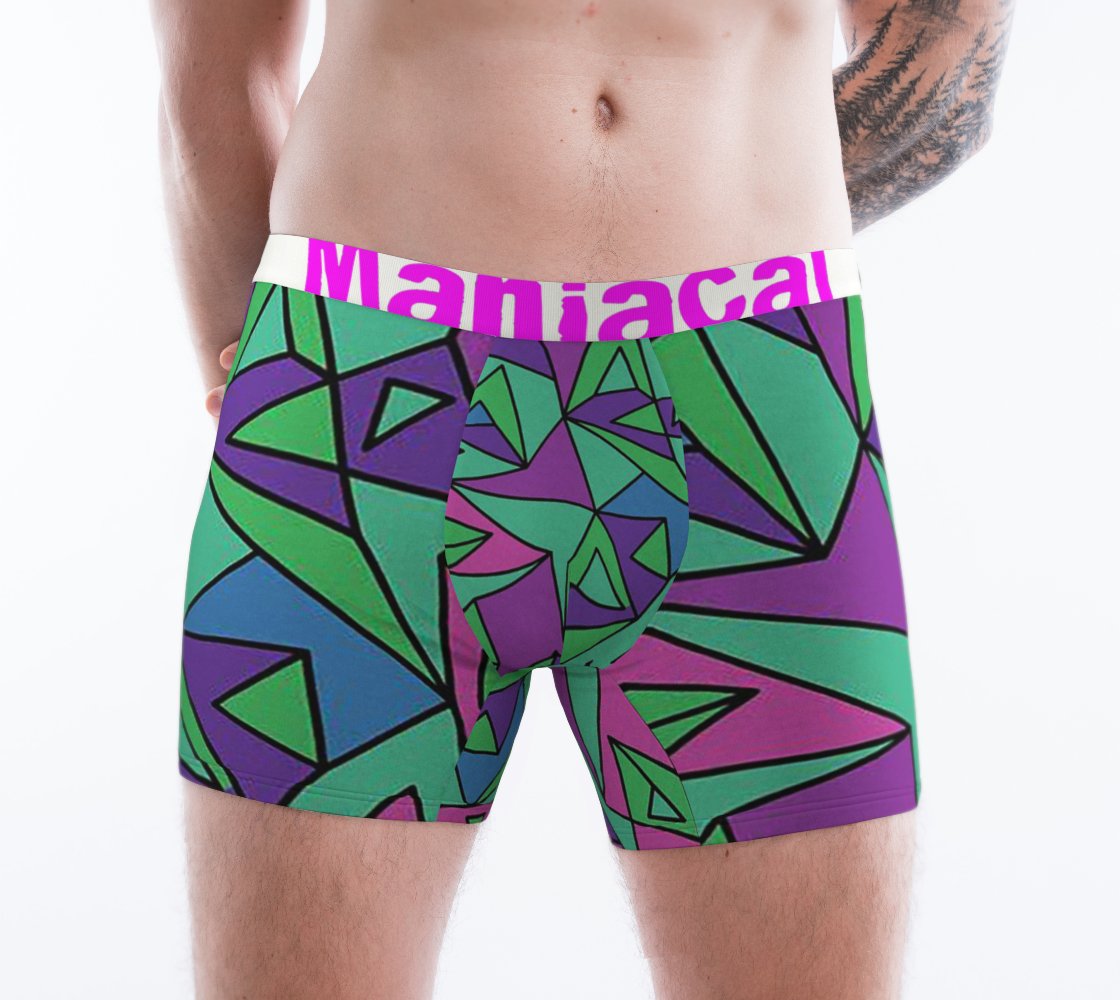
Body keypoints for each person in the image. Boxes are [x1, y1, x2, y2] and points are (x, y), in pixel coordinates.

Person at [151, 0, 1011, 996]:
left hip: (753, 398)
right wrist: (258, 377)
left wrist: (699, 214)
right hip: (362, 373)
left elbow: (949, 55)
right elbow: (216, 76)